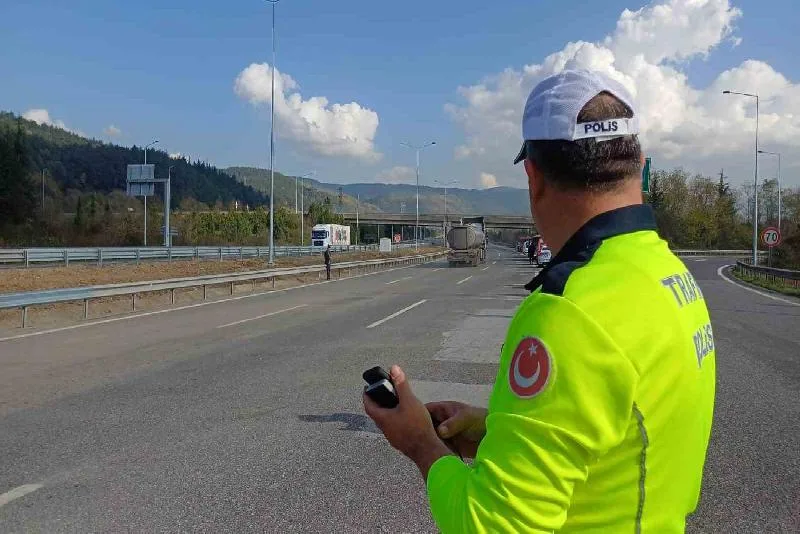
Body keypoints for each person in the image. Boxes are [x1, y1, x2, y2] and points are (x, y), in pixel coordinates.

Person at [363, 69, 716, 533]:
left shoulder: (569, 311)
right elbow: (619, 425)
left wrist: (420, 444)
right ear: (640, 165)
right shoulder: (668, 273)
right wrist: (500, 428)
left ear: (534, 178)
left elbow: (488, 526)